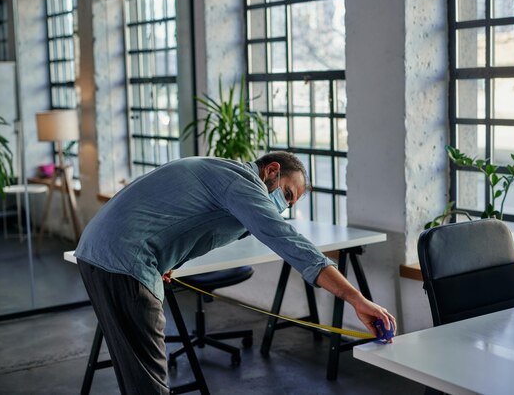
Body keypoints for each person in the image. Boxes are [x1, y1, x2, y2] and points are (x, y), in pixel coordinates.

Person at [75, 151, 397, 394]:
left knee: (136, 375)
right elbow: (288, 241)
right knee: (148, 381)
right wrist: (356, 299)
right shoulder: (242, 184)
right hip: (124, 260)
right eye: (286, 193)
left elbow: (183, 219)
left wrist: (168, 261)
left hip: (99, 251)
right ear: (271, 170)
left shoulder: (223, 175)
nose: (284, 205)